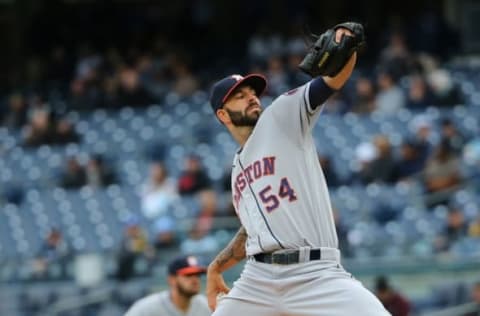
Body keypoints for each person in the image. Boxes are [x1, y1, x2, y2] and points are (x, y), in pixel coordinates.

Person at [205, 24, 390, 316]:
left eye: (253, 91)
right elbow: (253, 230)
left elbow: (331, 81)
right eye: (240, 95)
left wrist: (349, 47)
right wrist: (217, 267)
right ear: (223, 114)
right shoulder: (236, 170)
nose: (252, 96)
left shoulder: (281, 116)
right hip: (259, 279)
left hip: (315, 273)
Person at [124, 255, 211, 316]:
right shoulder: (146, 308)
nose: (195, 279)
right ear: (171, 280)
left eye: (197, 275)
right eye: (188, 275)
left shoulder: (207, 306)